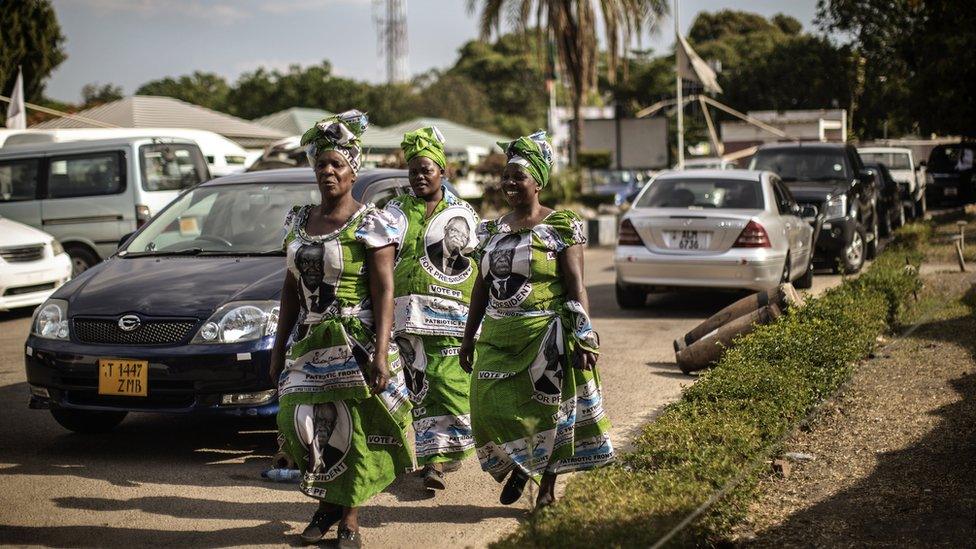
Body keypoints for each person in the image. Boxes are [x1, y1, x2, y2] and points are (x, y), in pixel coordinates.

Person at [269, 110, 412, 548]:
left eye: (337, 164)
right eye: (321, 165)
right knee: (301, 422)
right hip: (309, 342)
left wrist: (383, 352)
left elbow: (384, 290)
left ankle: (348, 517)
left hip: (356, 340)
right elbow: (291, 289)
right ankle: (328, 504)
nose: (328, 172)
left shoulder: (372, 223)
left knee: (353, 427)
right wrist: (278, 349)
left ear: (353, 171)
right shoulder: (298, 220)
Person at [459, 130, 614, 509]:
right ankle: (522, 465)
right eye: (506, 177)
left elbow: (577, 287)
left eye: (519, 177)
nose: (510, 184)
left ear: (539, 182)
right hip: (499, 334)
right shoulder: (492, 230)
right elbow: (481, 286)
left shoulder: (560, 227)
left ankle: (544, 488)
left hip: (548, 335)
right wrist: (468, 336)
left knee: (550, 413)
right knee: (484, 408)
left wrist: (585, 336)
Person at [384, 126, 480, 491]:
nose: (420, 176)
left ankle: (441, 458)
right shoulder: (394, 211)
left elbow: (475, 268)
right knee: (415, 390)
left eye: (427, 169)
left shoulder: (463, 213)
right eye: (413, 170)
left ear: (443, 172)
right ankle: (429, 462)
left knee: (448, 385)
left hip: (450, 320)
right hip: (403, 318)